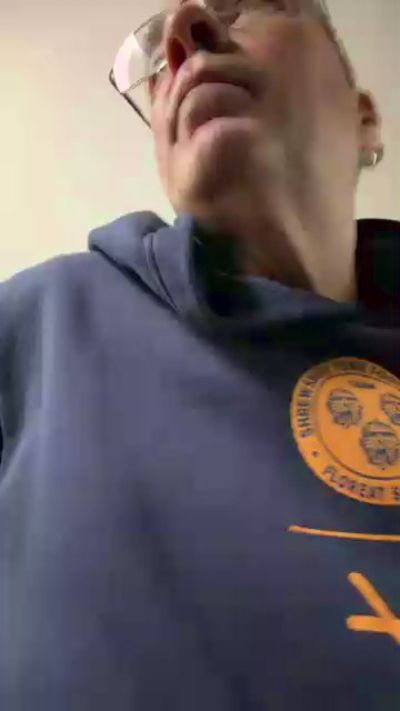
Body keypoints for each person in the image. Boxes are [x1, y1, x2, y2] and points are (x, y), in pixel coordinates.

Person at [1, 0, 399, 708]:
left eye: (250, 5)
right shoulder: (38, 328)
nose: (186, 30)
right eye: (155, 59)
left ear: (363, 117)